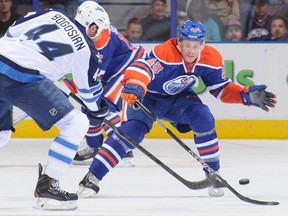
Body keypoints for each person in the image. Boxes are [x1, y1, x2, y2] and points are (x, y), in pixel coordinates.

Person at [76, 20, 276, 198]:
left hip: (176, 100)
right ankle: (92, 177)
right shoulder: (165, 53)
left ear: (203, 45)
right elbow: (141, 68)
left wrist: (244, 95)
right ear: (179, 42)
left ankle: (213, 174)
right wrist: (136, 85)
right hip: (147, 97)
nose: (191, 50)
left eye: (196, 46)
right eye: (187, 45)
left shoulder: (211, 58)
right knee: (130, 134)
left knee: (203, 117)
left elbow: (221, 89)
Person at [0, 1, 110, 210]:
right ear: (93, 26)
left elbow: (13, 31)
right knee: (76, 123)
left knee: (2, 133)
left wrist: (45, 69)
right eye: (99, 31)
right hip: (22, 76)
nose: (97, 36)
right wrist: (99, 112)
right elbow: (88, 93)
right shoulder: (87, 49)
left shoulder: (53, 14)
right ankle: (48, 187)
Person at [65, 0, 147, 167]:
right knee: (90, 106)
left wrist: (71, 82)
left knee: (102, 105)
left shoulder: (102, 38)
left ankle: (123, 148)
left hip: (129, 68)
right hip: (113, 71)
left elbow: (95, 74)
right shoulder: (84, 30)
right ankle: (94, 147)